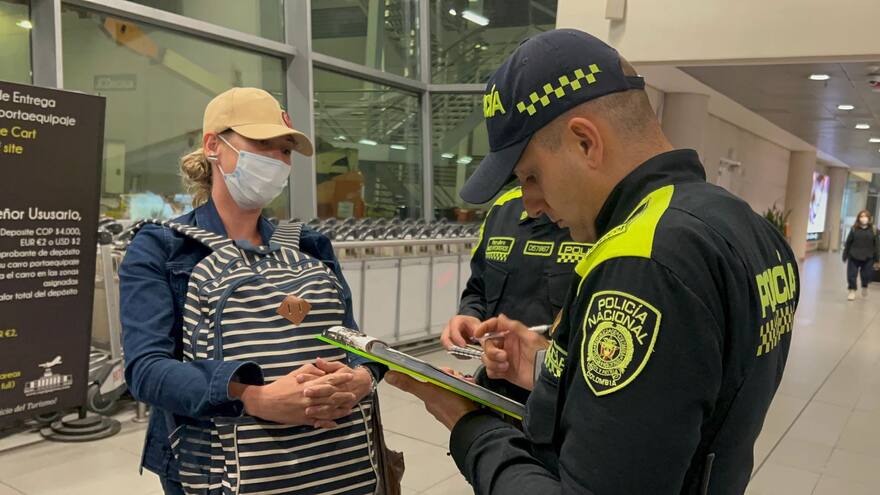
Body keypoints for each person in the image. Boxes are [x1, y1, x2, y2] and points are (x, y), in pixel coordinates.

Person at [387, 29, 798, 494]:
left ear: (585, 142)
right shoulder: (749, 228)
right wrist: (552, 371)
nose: (531, 204)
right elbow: (683, 400)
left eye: (531, 176)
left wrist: (466, 423)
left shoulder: (643, 258)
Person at [120, 87, 382, 494]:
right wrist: (253, 398)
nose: (277, 160)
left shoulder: (310, 246)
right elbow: (146, 370)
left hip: (329, 458)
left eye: (285, 151)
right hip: (211, 466)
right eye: (262, 144)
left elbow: (351, 339)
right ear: (214, 146)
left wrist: (362, 377)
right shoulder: (162, 248)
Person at [442, 187, 589, 402]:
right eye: (522, 177)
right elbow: (478, 287)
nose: (530, 201)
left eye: (534, 176)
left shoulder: (600, 219)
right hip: (495, 388)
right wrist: (470, 315)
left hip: (562, 399)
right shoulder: (502, 209)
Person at [842, 209, 880, 300]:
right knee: (851, 275)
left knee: (866, 275)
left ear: (869, 218)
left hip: (868, 256)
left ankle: (864, 286)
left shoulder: (874, 230)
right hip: (854, 255)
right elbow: (848, 243)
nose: (863, 218)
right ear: (858, 218)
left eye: (865, 216)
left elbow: (877, 245)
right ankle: (852, 290)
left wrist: (877, 259)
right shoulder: (854, 229)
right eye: (861, 216)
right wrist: (845, 255)